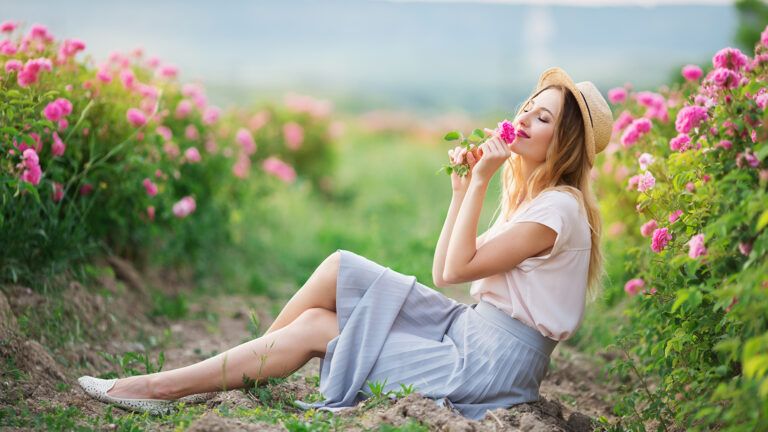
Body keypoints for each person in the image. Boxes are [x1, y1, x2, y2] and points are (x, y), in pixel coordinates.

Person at [78, 66, 614, 420]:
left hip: (488, 363)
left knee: (317, 327)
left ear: (562, 142)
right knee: (340, 266)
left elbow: (456, 273)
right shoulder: (539, 201)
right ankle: (254, 364)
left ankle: (155, 389)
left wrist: (478, 182)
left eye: (542, 118)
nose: (523, 119)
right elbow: (442, 272)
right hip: (469, 330)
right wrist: (459, 191)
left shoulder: (560, 209)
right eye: (528, 106)